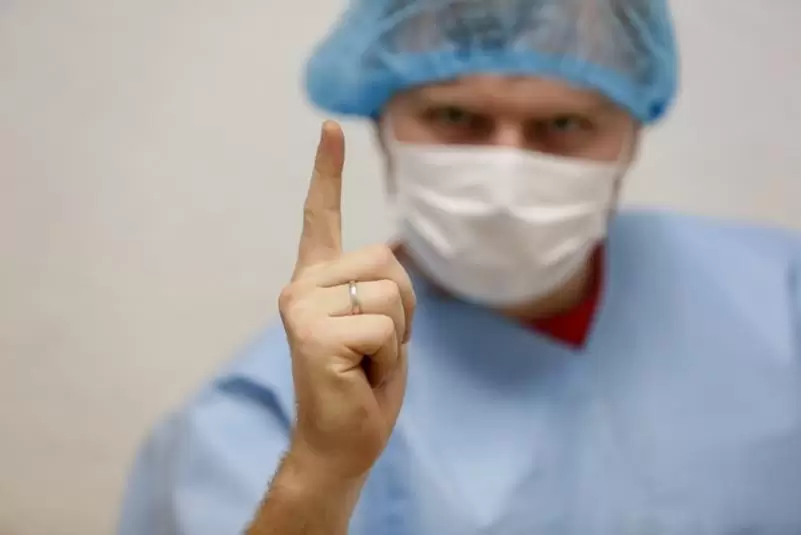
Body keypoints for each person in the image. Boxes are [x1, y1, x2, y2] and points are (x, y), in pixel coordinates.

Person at [118, 0, 801, 533]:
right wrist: (319, 477)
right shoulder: (267, 419)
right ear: (384, 122)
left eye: (563, 125)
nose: (505, 171)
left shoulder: (779, 297)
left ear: (631, 131)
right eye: (454, 116)